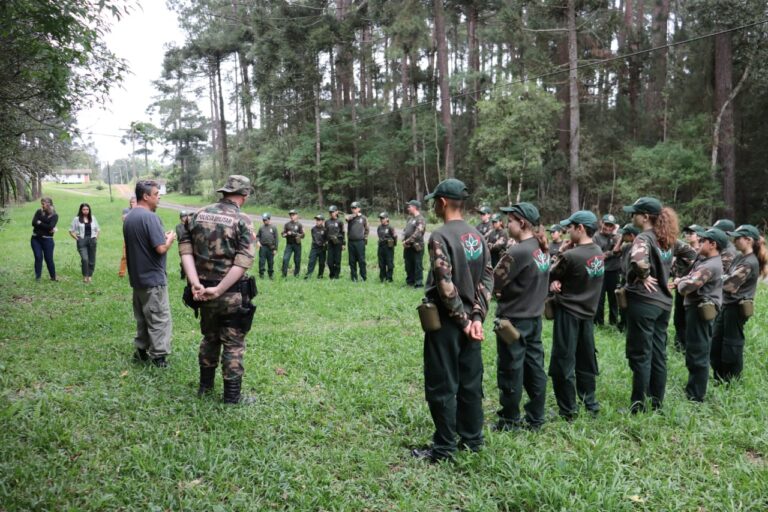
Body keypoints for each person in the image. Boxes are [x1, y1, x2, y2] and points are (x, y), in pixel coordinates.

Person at [412, 178, 492, 463]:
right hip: (473, 325)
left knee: (442, 384)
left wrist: (462, 320)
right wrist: (477, 317)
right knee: (470, 382)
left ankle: (444, 447)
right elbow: (487, 278)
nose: (433, 205)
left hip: (448, 324)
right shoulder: (479, 236)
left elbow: (445, 285)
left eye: (435, 201)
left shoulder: (439, 236)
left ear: (443, 203)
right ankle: (472, 439)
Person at [179, 175, 257, 404]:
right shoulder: (242, 220)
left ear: (224, 192)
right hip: (230, 294)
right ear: (245, 195)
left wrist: (195, 283)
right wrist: (220, 289)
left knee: (209, 338)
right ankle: (232, 397)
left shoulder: (197, 215)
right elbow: (243, 261)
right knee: (233, 343)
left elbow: (185, 251)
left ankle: (205, 388)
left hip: (201, 292)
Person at [492, 202, 550, 431]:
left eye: (511, 221)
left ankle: (510, 420)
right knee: (535, 367)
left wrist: (498, 291)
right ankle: (536, 417)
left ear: (522, 223)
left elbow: (494, 280)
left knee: (510, 369)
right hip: (534, 318)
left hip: (514, 320)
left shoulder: (518, 251)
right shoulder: (541, 247)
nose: (507, 225)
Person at [622, 197, 678, 413]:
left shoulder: (643, 238)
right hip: (664, 303)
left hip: (644, 301)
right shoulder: (667, 239)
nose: (631, 217)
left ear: (645, 216)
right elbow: (691, 255)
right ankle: (657, 403)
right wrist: (676, 277)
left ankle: (637, 406)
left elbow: (638, 260)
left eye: (634, 213)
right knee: (658, 353)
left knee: (641, 354)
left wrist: (643, 275)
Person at [548, 210, 605, 420]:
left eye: (570, 228)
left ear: (580, 228)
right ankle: (590, 402)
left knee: (563, 360)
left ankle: (568, 409)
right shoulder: (598, 251)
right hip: (588, 314)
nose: (567, 231)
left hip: (568, 313)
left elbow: (549, 272)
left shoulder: (570, 255)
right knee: (586, 358)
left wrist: (560, 252)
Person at [123, 180, 176, 367]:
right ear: (146, 196)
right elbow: (160, 248)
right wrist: (169, 239)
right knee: (159, 317)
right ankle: (159, 357)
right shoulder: (150, 217)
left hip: (137, 278)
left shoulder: (129, 217)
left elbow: (143, 244)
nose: (159, 197)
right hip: (153, 279)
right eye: (156, 194)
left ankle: (141, 351)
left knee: (143, 318)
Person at [673, 228, 724, 402]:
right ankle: (693, 389)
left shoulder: (710, 265)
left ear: (713, 244)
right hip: (696, 309)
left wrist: (680, 282)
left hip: (699, 311)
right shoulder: (706, 260)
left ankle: (696, 396)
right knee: (695, 350)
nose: (699, 243)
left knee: (698, 352)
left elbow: (688, 286)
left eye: (703, 241)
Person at [711, 224, 766, 383]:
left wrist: (720, 278)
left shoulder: (749, 262)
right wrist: (723, 278)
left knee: (731, 345)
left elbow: (729, 284)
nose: (734, 241)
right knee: (717, 341)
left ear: (748, 240)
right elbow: (726, 277)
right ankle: (719, 377)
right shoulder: (740, 257)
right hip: (728, 305)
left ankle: (731, 381)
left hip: (736, 308)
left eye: (737, 238)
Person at [672, 225, 703, 352]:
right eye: (686, 233)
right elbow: (675, 267)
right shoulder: (682, 250)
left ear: (699, 235)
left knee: (692, 319)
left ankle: (691, 346)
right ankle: (680, 345)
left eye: (692, 233)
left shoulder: (704, 251)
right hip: (681, 288)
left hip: (695, 289)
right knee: (679, 318)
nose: (688, 235)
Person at [593, 214, 621, 327]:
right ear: (601, 223)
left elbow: (620, 250)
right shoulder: (595, 237)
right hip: (600, 272)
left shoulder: (617, 236)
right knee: (599, 299)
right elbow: (600, 256)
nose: (608, 228)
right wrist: (612, 252)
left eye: (611, 226)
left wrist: (615, 235)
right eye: (606, 225)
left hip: (614, 271)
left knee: (614, 298)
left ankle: (613, 322)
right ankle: (598, 323)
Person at [615, 223, 640, 332]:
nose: (622, 237)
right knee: (622, 302)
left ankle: (630, 327)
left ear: (631, 235)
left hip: (634, 280)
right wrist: (621, 239)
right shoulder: (626, 246)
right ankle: (622, 325)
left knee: (632, 304)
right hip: (624, 278)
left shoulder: (639, 248)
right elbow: (615, 251)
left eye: (624, 235)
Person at [68, 203, 101, 283]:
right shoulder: (77, 219)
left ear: (89, 210)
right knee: (85, 259)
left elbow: (98, 229)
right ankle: (85, 275)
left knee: (92, 259)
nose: (85, 211)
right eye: (84, 209)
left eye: (87, 209)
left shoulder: (93, 218)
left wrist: (95, 237)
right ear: (81, 210)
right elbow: (71, 231)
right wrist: (77, 239)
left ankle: (89, 275)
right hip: (82, 240)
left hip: (92, 240)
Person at [31, 196, 59, 281]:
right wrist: (46, 226)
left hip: (47, 240)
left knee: (48, 259)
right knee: (38, 257)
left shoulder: (54, 215)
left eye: (43, 204)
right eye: (42, 204)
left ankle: (53, 277)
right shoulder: (39, 212)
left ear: (49, 204)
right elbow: (33, 223)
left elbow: (51, 226)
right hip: (35, 238)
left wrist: (40, 223)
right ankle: (38, 277)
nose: (42, 205)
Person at [403, 199, 426, 287]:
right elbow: (405, 230)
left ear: (414, 207)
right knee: (408, 265)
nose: (408, 208)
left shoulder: (420, 219)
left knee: (417, 265)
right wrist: (403, 240)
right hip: (408, 246)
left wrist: (407, 241)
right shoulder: (410, 218)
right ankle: (410, 282)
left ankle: (418, 283)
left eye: (409, 206)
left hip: (417, 246)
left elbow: (418, 233)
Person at [346, 201, 369, 281]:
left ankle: (363, 277)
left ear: (359, 209)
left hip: (360, 241)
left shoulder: (363, 218)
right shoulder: (350, 217)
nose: (353, 209)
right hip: (351, 242)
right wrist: (354, 215)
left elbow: (367, 229)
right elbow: (347, 218)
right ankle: (354, 277)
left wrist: (365, 238)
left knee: (361, 260)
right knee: (352, 261)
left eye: (355, 208)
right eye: (352, 208)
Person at [281, 209, 304, 278]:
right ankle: (284, 275)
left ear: (296, 215)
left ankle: (296, 275)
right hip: (289, 245)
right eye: (290, 215)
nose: (292, 216)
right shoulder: (287, 224)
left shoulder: (299, 225)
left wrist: (294, 234)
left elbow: (303, 235)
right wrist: (284, 234)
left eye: (293, 215)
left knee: (297, 260)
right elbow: (283, 233)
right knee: (285, 259)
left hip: (297, 244)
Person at [118, 196, 137, 278]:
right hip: (128, 236)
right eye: (131, 202)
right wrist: (133, 210)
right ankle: (122, 273)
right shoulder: (126, 210)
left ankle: (135, 273)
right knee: (125, 255)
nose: (132, 203)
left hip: (138, 236)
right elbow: (124, 219)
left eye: (134, 202)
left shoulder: (140, 210)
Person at [256, 213, 278, 279]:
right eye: (263, 220)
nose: (264, 221)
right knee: (261, 261)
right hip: (263, 247)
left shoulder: (273, 227)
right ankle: (261, 275)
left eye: (265, 220)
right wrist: (257, 241)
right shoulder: (261, 228)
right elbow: (258, 236)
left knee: (270, 262)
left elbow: (276, 239)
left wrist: (275, 249)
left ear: (269, 219)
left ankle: (270, 275)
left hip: (271, 248)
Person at [325, 205, 345, 279]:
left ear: (336, 212)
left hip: (338, 242)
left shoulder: (340, 222)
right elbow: (326, 232)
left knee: (337, 260)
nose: (331, 213)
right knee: (330, 262)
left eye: (332, 212)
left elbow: (343, 233)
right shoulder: (327, 222)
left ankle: (336, 276)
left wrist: (343, 244)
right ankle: (332, 274)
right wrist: (326, 241)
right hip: (330, 243)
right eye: (330, 212)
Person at [305, 214, 328, 279]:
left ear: (322, 221)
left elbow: (327, 238)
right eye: (316, 220)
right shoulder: (313, 229)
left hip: (322, 249)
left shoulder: (325, 229)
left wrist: (326, 243)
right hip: (315, 248)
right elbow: (315, 238)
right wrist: (321, 243)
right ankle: (308, 275)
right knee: (311, 262)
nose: (317, 221)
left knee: (321, 263)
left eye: (319, 220)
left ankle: (320, 276)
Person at [376, 212, 396, 282]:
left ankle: (389, 278)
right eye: (380, 218)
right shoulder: (379, 227)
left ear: (387, 218)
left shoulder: (390, 227)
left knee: (389, 263)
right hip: (381, 247)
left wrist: (392, 243)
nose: (381, 220)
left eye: (383, 218)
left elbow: (395, 236)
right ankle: (382, 277)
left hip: (389, 248)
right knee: (381, 263)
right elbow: (379, 235)